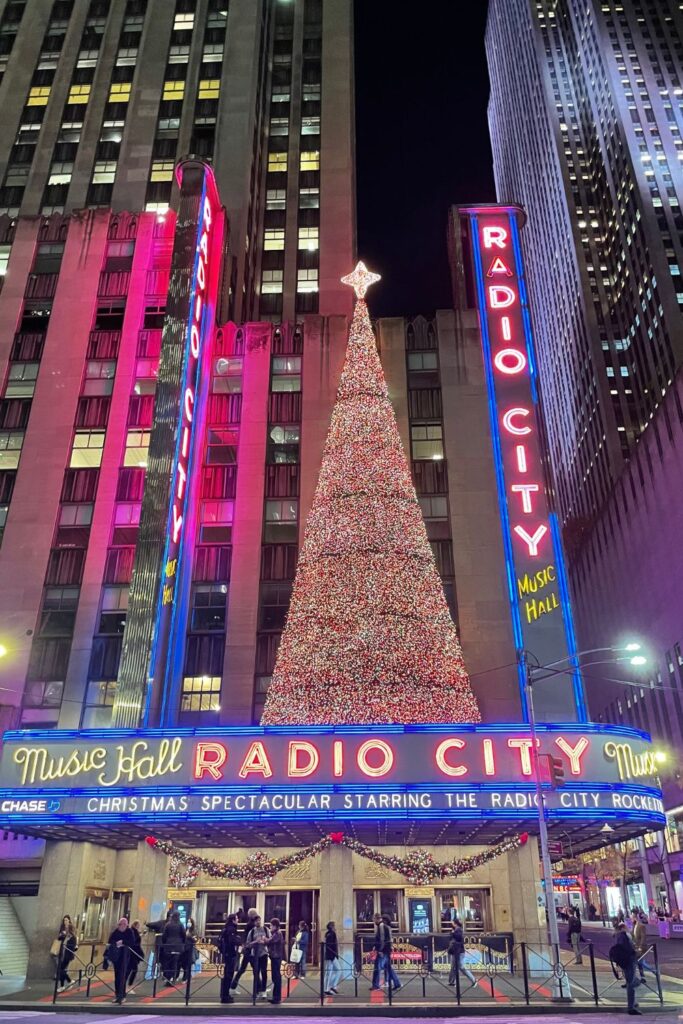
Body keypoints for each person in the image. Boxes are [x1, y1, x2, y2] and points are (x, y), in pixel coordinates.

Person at [612, 922, 641, 1015]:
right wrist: (633, 952)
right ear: (623, 928)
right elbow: (625, 949)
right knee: (631, 984)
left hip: (625, 962)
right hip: (629, 961)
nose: (628, 928)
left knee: (633, 981)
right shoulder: (623, 936)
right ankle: (631, 1007)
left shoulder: (619, 936)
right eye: (626, 927)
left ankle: (633, 1003)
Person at [107, 916, 137, 1005]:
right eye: (121, 924)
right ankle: (117, 995)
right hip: (117, 957)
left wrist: (122, 942)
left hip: (126, 957)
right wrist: (115, 943)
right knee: (117, 977)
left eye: (124, 924)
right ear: (118, 925)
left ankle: (122, 996)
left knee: (122, 976)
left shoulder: (129, 932)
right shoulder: (115, 932)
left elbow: (132, 942)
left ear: (127, 925)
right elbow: (110, 941)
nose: (122, 926)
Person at [231, 907, 259, 991]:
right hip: (250, 949)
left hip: (247, 948)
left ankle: (233, 986)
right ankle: (259, 989)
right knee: (255, 969)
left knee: (243, 969)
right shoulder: (252, 925)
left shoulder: (249, 923)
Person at [244, 913, 269, 999]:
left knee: (264, 972)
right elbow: (247, 944)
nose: (258, 922)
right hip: (255, 955)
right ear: (254, 922)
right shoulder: (252, 932)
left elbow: (270, 940)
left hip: (264, 953)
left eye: (259, 920)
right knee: (256, 973)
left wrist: (265, 941)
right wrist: (255, 942)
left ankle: (264, 991)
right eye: (257, 921)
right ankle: (256, 991)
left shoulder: (265, 929)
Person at [448, 918, 476, 991]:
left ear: (455, 923)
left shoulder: (458, 930)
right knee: (453, 966)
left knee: (461, 966)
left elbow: (458, 937)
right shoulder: (456, 929)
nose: (451, 923)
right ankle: (452, 981)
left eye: (452, 922)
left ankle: (473, 980)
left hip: (459, 951)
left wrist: (452, 933)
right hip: (456, 951)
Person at [219, 913, 240, 1004]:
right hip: (230, 953)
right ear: (233, 920)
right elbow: (232, 941)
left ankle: (224, 994)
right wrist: (239, 941)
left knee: (226, 974)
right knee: (229, 974)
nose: (238, 920)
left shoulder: (225, 928)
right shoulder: (231, 929)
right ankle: (225, 996)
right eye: (237, 918)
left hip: (226, 953)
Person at [161, 911, 186, 984]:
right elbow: (184, 935)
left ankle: (168, 978)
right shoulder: (180, 924)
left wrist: (165, 943)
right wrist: (182, 943)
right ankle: (173, 978)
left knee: (168, 962)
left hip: (168, 946)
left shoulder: (168, 924)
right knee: (175, 963)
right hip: (178, 947)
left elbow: (164, 935)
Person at [633, 912, 657, 982]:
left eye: (632, 917)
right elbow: (633, 936)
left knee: (640, 962)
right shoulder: (634, 925)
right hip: (636, 947)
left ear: (635, 918)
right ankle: (643, 977)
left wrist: (640, 946)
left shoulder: (641, 926)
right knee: (639, 962)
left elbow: (643, 937)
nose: (630, 919)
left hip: (641, 948)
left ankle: (653, 971)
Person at [266, 917, 284, 1004]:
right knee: (275, 977)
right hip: (275, 957)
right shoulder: (275, 933)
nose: (270, 927)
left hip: (276, 957)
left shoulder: (278, 934)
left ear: (275, 926)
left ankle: (276, 998)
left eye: (271, 926)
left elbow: (270, 941)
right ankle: (276, 997)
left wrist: (264, 940)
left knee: (276, 977)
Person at [56, 922, 78, 992]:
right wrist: (62, 934)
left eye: (67, 928)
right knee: (61, 970)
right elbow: (59, 939)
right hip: (63, 955)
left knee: (60, 969)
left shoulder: (73, 937)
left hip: (67, 956)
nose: (66, 929)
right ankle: (65, 984)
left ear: (70, 929)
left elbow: (72, 948)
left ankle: (68, 982)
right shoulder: (66, 936)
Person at [323, 921, 341, 996]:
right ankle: (327, 988)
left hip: (331, 955)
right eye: (334, 926)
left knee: (337, 970)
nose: (335, 927)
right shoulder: (331, 934)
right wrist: (334, 954)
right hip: (331, 956)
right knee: (329, 972)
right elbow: (331, 946)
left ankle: (332, 986)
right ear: (332, 927)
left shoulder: (328, 934)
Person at [126, 919, 144, 995]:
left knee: (130, 970)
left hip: (132, 954)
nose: (139, 926)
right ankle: (128, 987)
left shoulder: (132, 931)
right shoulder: (133, 932)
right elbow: (135, 942)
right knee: (132, 970)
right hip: (133, 954)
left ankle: (126, 986)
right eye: (138, 925)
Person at [181, 916, 197, 982]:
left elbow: (195, 939)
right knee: (184, 963)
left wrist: (190, 937)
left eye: (190, 922)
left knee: (188, 963)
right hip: (184, 948)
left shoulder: (193, 931)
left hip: (190, 948)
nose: (188, 923)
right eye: (188, 921)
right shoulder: (184, 929)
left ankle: (186, 977)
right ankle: (187, 976)